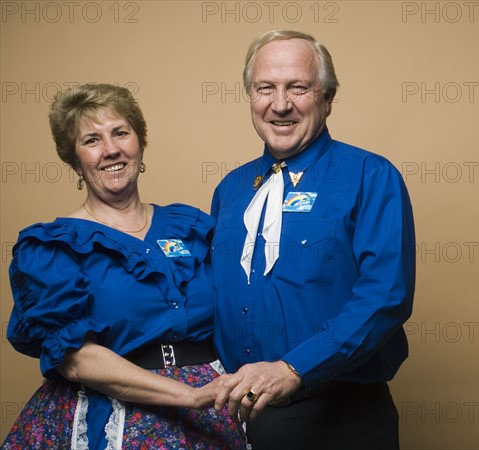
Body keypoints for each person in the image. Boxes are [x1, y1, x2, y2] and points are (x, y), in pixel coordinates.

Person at [2, 83, 246, 449]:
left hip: (213, 410)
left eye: (120, 133)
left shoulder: (191, 226)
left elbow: (242, 307)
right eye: (91, 140)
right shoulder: (52, 248)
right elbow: (77, 361)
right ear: (73, 159)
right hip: (113, 415)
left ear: (140, 143)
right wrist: (192, 396)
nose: (111, 149)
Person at [210, 30, 416, 449]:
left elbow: (385, 297)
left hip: (341, 420)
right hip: (239, 419)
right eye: (264, 88)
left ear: (328, 96)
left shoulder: (370, 177)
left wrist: (292, 368)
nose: (280, 104)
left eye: (297, 87)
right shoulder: (230, 190)